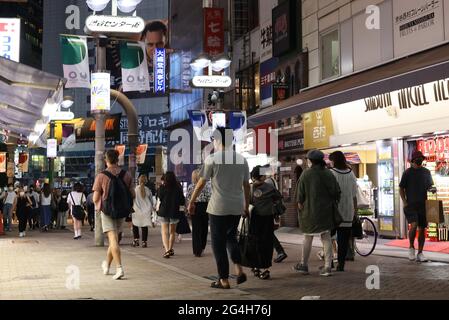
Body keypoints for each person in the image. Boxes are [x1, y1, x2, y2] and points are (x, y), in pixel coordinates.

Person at [188, 127, 249, 289]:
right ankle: (238, 268)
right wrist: (246, 205)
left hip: (218, 208)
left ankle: (223, 280)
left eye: (213, 140)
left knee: (218, 243)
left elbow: (201, 183)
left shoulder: (212, 159)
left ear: (218, 140)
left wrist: (192, 201)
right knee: (231, 238)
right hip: (236, 207)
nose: (213, 143)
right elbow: (246, 186)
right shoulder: (242, 159)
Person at [294, 149, 341, 277]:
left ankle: (303, 264)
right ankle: (327, 267)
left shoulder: (306, 174)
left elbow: (299, 197)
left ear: (310, 161)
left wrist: (301, 206)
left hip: (309, 212)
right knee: (326, 238)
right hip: (325, 211)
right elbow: (337, 192)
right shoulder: (328, 174)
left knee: (307, 237)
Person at [93, 150, 135, 280]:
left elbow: (95, 198)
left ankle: (119, 268)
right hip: (121, 210)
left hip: (107, 211)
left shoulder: (101, 176)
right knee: (115, 239)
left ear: (106, 160)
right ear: (118, 159)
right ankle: (107, 265)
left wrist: (98, 207)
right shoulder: (126, 174)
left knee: (113, 239)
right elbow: (133, 194)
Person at [400, 151, 435, 262]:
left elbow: (430, 186)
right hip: (410, 205)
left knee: (422, 228)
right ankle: (411, 247)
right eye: (418, 158)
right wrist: (404, 202)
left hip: (422, 204)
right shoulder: (407, 173)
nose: (420, 160)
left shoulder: (426, 172)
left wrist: (432, 189)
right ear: (413, 160)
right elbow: (401, 188)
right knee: (414, 225)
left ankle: (420, 253)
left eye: (421, 158)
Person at [249, 166, 283, 280]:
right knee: (267, 244)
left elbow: (246, 202)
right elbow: (278, 198)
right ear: (262, 176)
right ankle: (265, 269)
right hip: (267, 219)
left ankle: (255, 266)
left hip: (254, 219)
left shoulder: (249, 188)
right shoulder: (270, 187)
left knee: (255, 243)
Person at [329, 151, 358, 272]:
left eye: (331, 160)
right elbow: (354, 195)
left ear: (334, 161)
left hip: (334, 211)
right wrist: (355, 211)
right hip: (348, 211)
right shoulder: (351, 174)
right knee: (343, 240)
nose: (330, 163)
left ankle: (329, 262)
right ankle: (341, 264)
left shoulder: (331, 173)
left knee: (328, 237)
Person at [263, 164, 288, 264]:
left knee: (267, 233)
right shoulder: (272, 180)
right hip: (270, 210)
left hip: (267, 211)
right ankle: (279, 251)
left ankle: (279, 251)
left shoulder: (268, 182)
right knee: (267, 233)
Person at [157, 171, 185, 258]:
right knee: (172, 232)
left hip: (164, 211)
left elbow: (160, 198)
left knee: (164, 232)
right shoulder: (178, 188)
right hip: (174, 212)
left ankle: (167, 250)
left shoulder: (162, 187)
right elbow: (182, 201)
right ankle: (170, 249)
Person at [186, 169, 211, 257]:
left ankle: (197, 250)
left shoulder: (190, 186)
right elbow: (209, 197)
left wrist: (188, 208)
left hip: (194, 207)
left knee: (196, 230)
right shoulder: (207, 185)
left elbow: (188, 198)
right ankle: (202, 247)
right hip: (205, 206)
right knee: (204, 228)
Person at [132, 174, 153, 248]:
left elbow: (132, 199)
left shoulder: (135, 189)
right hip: (146, 210)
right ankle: (144, 242)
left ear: (138, 180)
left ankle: (136, 240)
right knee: (144, 226)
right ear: (146, 181)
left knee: (135, 225)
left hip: (136, 210)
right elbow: (151, 201)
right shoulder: (148, 190)